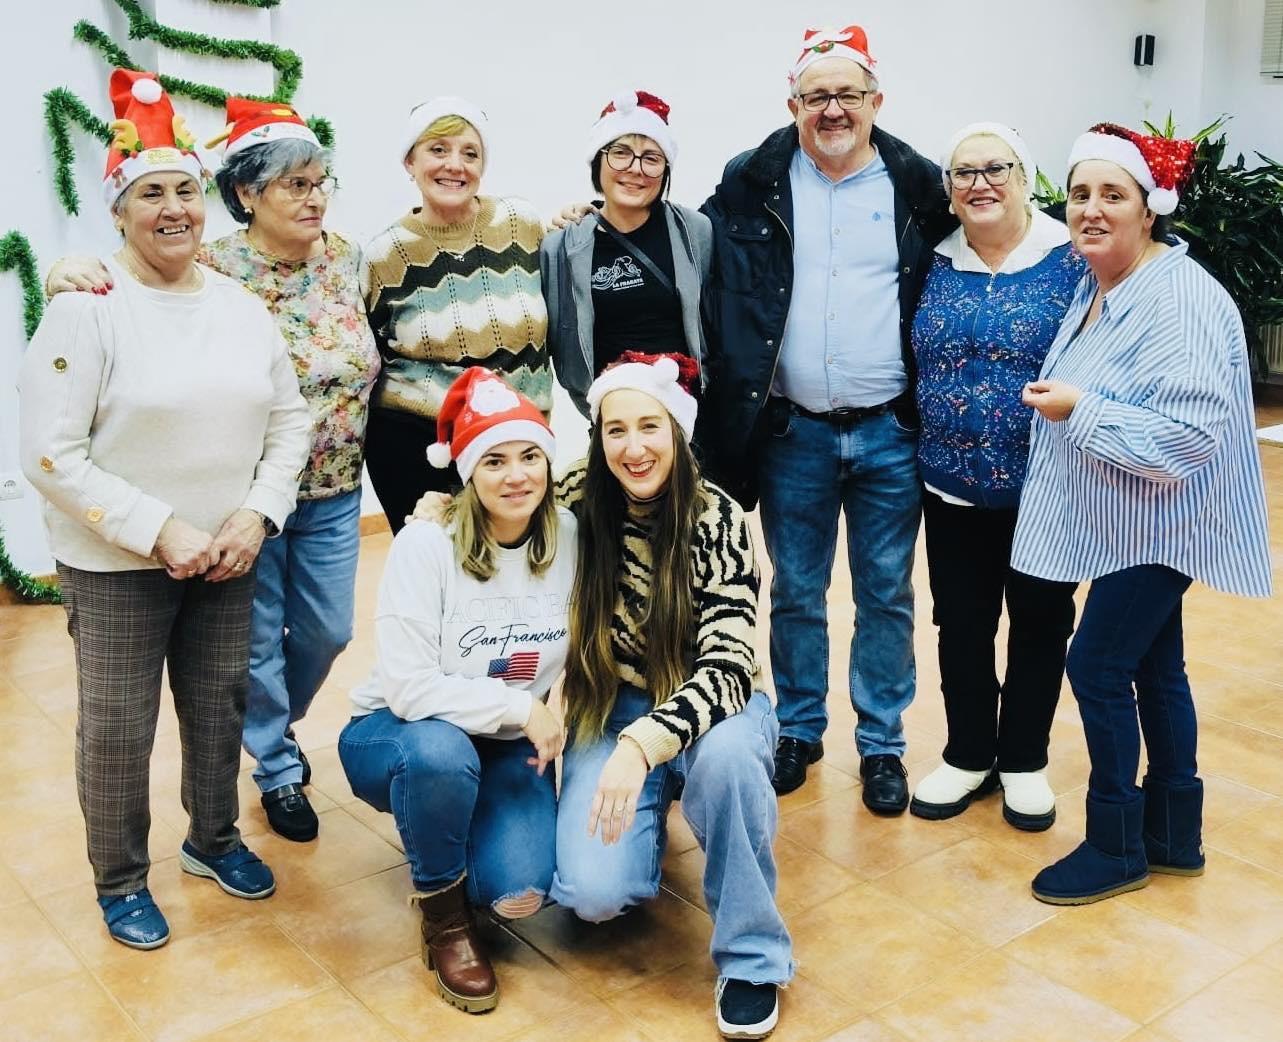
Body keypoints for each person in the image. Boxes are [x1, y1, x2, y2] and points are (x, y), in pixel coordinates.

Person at [17, 69, 310, 950]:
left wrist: (255, 515)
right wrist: (160, 530)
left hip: (226, 554)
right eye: (152, 193)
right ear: (119, 210)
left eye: (186, 188)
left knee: (219, 706)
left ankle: (213, 839)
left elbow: (289, 420)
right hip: (118, 566)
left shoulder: (238, 304)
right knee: (118, 729)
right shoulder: (87, 309)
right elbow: (49, 455)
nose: (174, 208)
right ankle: (119, 881)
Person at [44, 99, 382, 844]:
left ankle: (262, 733)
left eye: (320, 180)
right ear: (246, 196)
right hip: (234, 504)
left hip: (325, 489)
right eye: (293, 183)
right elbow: (124, 279)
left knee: (325, 632)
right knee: (245, 652)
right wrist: (63, 268)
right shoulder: (211, 263)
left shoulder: (350, 258)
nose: (314, 196)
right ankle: (276, 767)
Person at [1011, 123, 1272, 904]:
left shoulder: (1179, 300)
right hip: (1131, 520)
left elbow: (1187, 437)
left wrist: (1077, 410)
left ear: (1148, 208)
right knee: (1156, 669)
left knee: (1096, 665)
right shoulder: (1108, 285)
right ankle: (1173, 836)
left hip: (1160, 524)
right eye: (1080, 193)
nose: (1090, 210)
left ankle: (1115, 841)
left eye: (1111, 195)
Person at [698, 24, 953, 809]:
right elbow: (683, 243)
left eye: (848, 94)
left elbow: (993, 238)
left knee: (885, 591)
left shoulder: (918, 185)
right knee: (796, 591)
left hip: (889, 431)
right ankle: (800, 730)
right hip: (791, 430)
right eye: (817, 96)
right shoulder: (751, 181)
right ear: (792, 104)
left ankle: (881, 745)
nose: (833, 109)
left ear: (877, 101)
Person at [552, 353, 792, 1040]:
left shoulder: (715, 516)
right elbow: (496, 502)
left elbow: (727, 666)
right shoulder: (572, 496)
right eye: (615, 430)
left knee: (727, 764)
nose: (633, 448)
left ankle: (752, 959)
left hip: (712, 703)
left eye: (649, 427)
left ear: (677, 429)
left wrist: (641, 748)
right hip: (613, 705)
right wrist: (437, 508)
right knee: (593, 900)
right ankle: (650, 818)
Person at [339, 368, 575, 1013]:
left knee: (521, 889)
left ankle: (456, 828)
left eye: (531, 456)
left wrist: (556, 710)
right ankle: (443, 914)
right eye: (494, 460)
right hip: (396, 733)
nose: (516, 475)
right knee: (440, 757)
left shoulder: (573, 538)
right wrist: (524, 706)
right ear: (467, 470)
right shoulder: (427, 542)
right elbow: (411, 691)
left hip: (502, 745)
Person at [907, 123, 1083, 830]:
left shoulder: (1068, 258)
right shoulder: (927, 259)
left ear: (1023, 174)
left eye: (994, 168)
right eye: (962, 173)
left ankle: (1024, 761)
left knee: (1040, 621)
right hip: (950, 485)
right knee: (961, 622)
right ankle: (968, 753)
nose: (978, 183)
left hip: (1046, 486)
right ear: (947, 191)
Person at [363, 96, 550, 532]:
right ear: (410, 161)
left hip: (515, 440)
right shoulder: (384, 254)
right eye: (438, 150)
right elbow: (371, 349)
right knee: (439, 580)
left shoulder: (521, 223)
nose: (455, 165)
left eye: (470, 153)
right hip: (420, 442)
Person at [541, 91, 712, 414]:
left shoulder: (695, 231)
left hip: (690, 411)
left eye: (651, 158)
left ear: (666, 170)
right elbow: (560, 343)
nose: (635, 169)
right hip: (610, 414)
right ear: (598, 160)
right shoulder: (561, 247)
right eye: (620, 153)